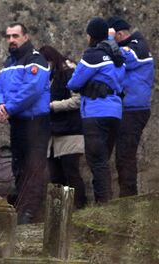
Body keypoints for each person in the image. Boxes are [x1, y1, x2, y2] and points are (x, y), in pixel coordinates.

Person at [0, 23, 51, 224]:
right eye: (8, 37)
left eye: (15, 36)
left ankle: (30, 212)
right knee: (18, 167)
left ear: (25, 37)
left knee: (34, 168)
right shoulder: (8, 63)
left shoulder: (36, 60)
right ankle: (22, 207)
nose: (11, 40)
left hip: (36, 123)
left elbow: (32, 90)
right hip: (17, 122)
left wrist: (8, 108)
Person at [67, 17, 125, 204]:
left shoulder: (93, 56)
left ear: (91, 36)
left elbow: (74, 83)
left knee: (96, 160)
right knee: (103, 159)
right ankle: (104, 202)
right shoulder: (118, 57)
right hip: (115, 112)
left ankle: (103, 204)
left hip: (95, 112)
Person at [107, 16, 155, 197]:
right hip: (124, 108)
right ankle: (125, 199)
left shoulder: (138, 46)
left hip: (134, 110)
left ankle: (129, 202)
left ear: (118, 34)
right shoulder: (130, 45)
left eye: (112, 36)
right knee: (120, 156)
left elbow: (122, 58)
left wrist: (109, 41)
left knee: (125, 155)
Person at [39, 46, 87, 209]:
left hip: (70, 131)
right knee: (56, 177)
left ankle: (79, 209)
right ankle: (58, 215)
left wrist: (52, 106)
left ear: (51, 60)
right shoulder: (49, 76)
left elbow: (78, 100)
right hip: (53, 133)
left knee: (71, 173)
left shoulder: (69, 71)